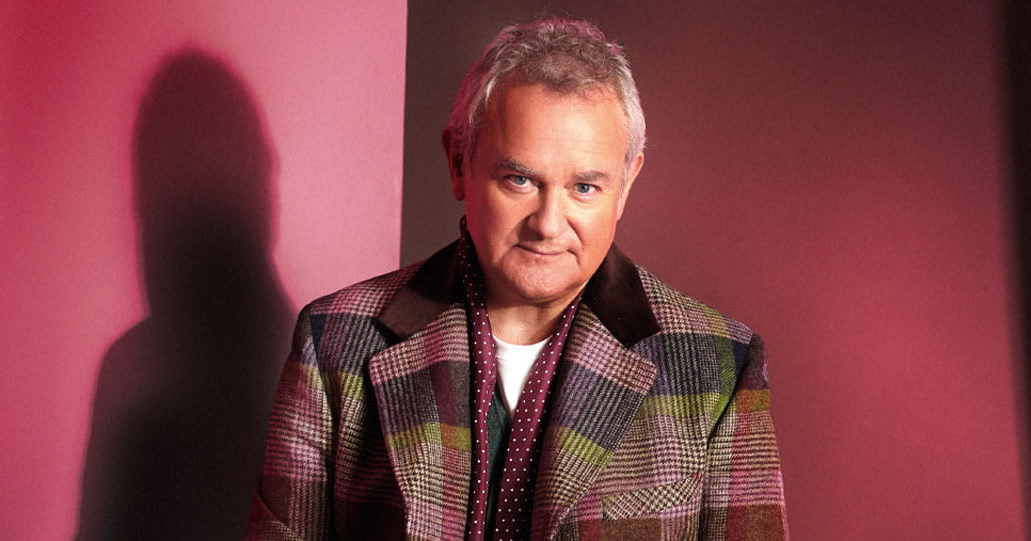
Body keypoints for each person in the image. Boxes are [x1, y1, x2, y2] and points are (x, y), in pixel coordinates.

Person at [248, 17, 787, 540]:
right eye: (520, 179)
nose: (549, 225)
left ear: (626, 184)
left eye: (584, 188)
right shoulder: (336, 342)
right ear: (459, 162)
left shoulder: (720, 367)